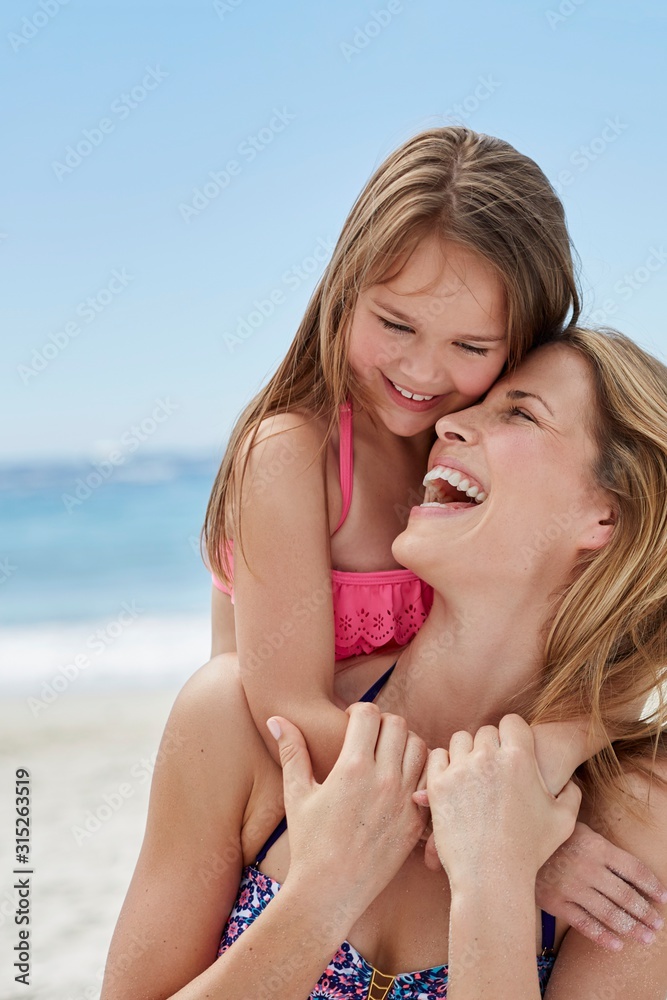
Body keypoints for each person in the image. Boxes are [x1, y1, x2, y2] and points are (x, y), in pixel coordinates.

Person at [102, 328, 667, 999]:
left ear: (607, 516)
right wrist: (320, 897)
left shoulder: (636, 816)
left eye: (518, 412)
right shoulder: (241, 723)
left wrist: (492, 876)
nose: (449, 421)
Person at [203, 126, 582, 785]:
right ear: (346, 289)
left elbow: (599, 662)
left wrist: (559, 763)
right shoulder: (293, 457)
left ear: (522, 340)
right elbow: (288, 718)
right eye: (395, 325)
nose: (420, 371)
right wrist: (507, 821)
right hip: (301, 807)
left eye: (469, 347)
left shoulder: (506, 469)